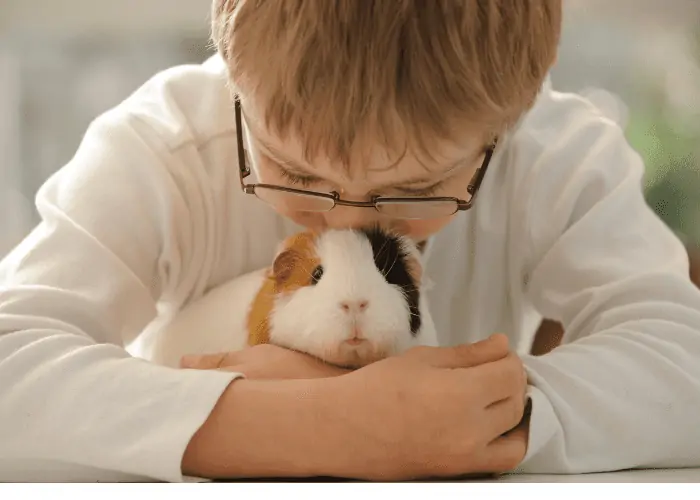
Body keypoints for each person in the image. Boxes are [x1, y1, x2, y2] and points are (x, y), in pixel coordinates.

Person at [1, 0, 700, 483]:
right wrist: (311, 423)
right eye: (297, 172)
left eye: (415, 190)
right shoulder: (165, 147)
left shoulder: (557, 154)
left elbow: (682, 359)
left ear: (501, 132)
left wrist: (460, 420)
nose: (347, 228)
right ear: (242, 86)